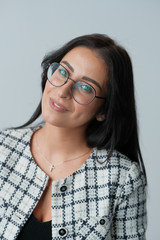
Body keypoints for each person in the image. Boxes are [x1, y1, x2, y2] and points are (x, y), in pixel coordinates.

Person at [0, 33, 147, 240]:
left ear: (104, 110)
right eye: (62, 72)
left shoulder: (123, 179)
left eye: (85, 87)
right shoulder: (3, 149)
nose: (63, 91)